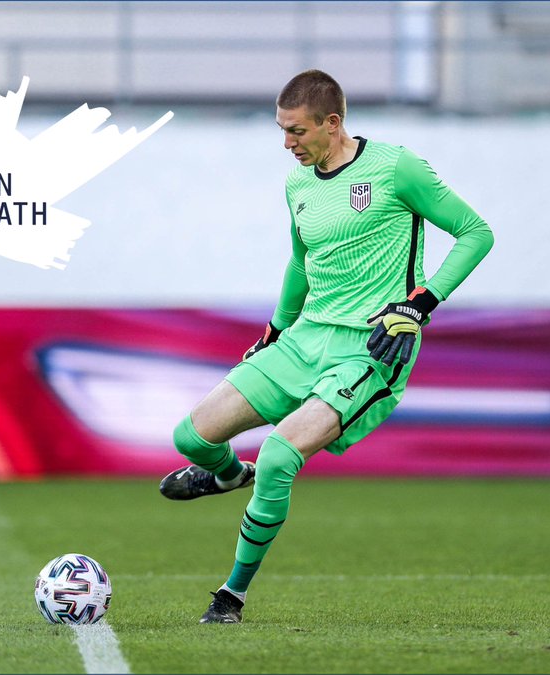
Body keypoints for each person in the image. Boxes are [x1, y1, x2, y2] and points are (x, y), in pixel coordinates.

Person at [158, 69, 494, 624]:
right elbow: (300, 262)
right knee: (189, 437)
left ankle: (231, 595)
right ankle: (227, 475)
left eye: (296, 131)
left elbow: (476, 233)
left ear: (332, 123)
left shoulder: (396, 168)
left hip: (371, 348)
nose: (287, 143)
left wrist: (420, 303)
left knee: (278, 457)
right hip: (305, 337)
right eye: (282, 131)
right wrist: (275, 329)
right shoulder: (298, 184)